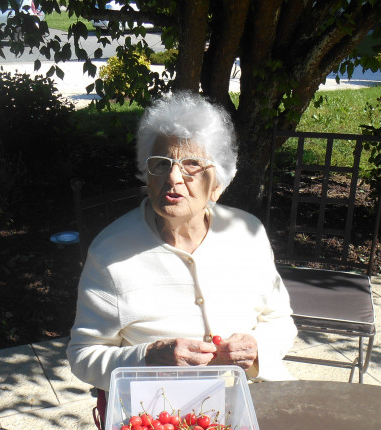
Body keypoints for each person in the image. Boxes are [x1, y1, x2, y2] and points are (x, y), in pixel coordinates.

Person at [68, 92, 297, 406]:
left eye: (192, 165)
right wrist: (148, 358)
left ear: (217, 183)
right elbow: (83, 356)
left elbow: (281, 322)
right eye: (161, 164)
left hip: (253, 400)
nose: (173, 177)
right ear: (147, 176)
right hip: (161, 420)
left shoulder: (250, 235)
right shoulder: (110, 254)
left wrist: (257, 348)